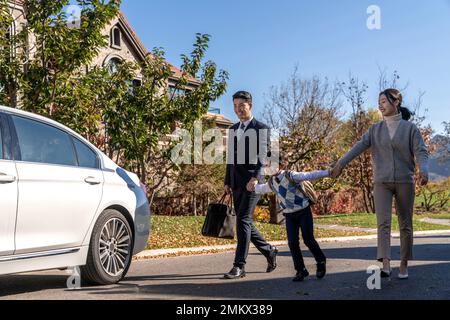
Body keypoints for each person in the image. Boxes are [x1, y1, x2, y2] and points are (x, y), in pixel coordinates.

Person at [331, 88, 429, 280]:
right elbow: (357, 147)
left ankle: (403, 263)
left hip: (404, 181)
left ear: (396, 102)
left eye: (384, 101)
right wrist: (341, 163)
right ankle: (385, 264)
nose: (380, 105)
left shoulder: (410, 129)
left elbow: (421, 151)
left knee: (405, 224)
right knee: (383, 223)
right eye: (379, 102)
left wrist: (423, 170)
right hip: (381, 182)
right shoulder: (375, 130)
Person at [223, 91, 278, 280]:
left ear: (250, 106)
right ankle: (269, 251)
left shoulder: (261, 128)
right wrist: (227, 182)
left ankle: (239, 266)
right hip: (236, 183)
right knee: (244, 221)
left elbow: (264, 155)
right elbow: (230, 158)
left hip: (253, 183)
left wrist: (255, 177)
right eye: (235, 106)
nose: (238, 110)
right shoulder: (232, 129)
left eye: (241, 106)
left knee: (243, 220)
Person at [248, 158, 330, 282]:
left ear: (279, 165)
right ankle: (300, 270)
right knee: (292, 243)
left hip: (303, 212)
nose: (268, 168)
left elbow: (310, 175)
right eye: (265, 166)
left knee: (308, 239)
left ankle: (320, 260)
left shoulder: (291, 175)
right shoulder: (271, 182)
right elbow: (261, 188)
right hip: (289, 216)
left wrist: (328, 172)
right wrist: (251, 187)